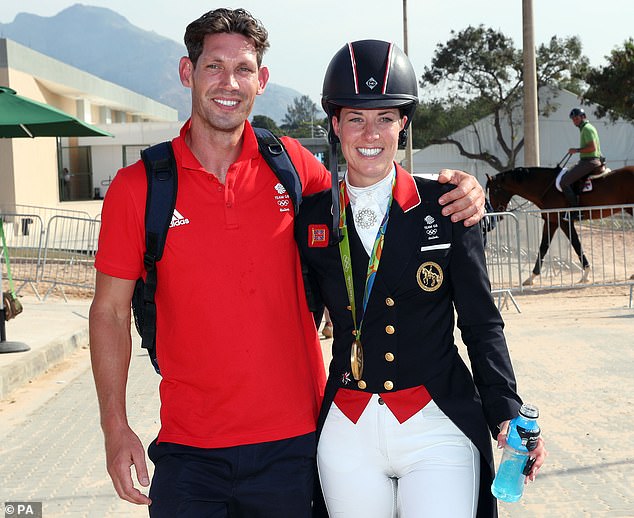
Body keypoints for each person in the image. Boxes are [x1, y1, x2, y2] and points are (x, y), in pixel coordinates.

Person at [89, 9, 486, 517]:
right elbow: (109, 314)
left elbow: (373, 184)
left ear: (262, 81)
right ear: (188, 73)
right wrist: (115, 427)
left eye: (244, 69)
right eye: (214, 66)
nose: (229, 83)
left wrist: (461, 192)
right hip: (190, 452)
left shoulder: (293, 167)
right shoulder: (140, 187)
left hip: (296, 447)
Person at [295, 39, 547, 517]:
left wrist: (505, 409)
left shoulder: (446, 205)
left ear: (403, 123)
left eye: (385, 117)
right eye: (355, 117)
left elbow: (479, 323)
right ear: (335, 124)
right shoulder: (311, 218)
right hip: (349, 424)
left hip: (436, 421)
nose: (371, 132)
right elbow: (293, 320)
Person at [561, 107, 603, 209]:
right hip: (587, 160)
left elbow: (592, 148)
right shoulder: (585, 128)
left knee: (564, 182)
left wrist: (576, 150)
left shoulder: (587, 129)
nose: (575, 121)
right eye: (573, 119)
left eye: (576, 118)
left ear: (583, 117)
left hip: (589, 161)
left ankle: (575, 210)